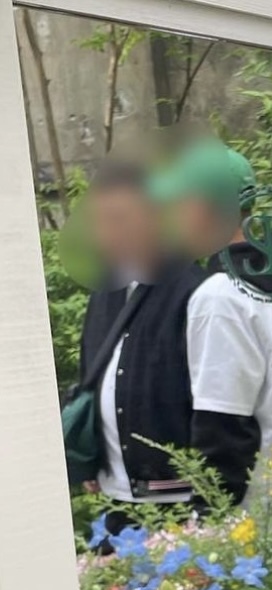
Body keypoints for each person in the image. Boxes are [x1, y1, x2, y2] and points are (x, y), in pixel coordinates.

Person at [150, 140, 272, 504]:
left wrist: (211, 524)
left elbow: (222, 430)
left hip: (256, 523)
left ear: (202, 208)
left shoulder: (221, 297)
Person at [76, 161, 206, 515]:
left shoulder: (196, 291)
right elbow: (91, 368)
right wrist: (92, 456)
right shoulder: (106, 289)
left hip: (180, 498)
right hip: (115, 494)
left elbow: (216, 401)